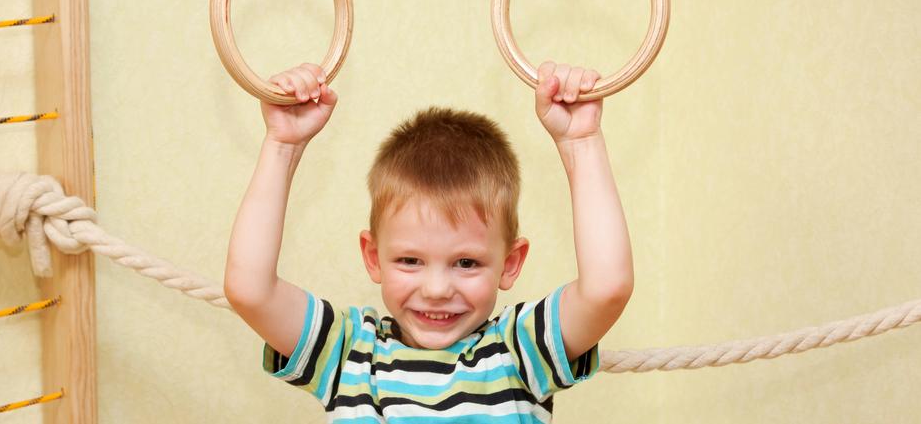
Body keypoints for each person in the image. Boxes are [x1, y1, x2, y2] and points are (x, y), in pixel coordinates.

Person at [224, 61, 634, 422]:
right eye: (409, 261)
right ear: (373, 256)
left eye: (467, 263)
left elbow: (606, 288)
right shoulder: (349, 353)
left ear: (510, 263)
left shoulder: (517, 352)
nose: (437, 290)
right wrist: (283, 145)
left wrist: (581, 143)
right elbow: (250, 289)